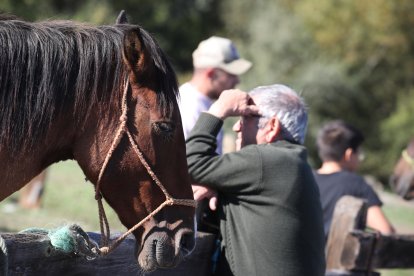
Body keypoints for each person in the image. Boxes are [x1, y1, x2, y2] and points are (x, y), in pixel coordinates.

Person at [186, 84, 326, 276]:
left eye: (245, 117)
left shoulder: (268, 160)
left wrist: (218, 110)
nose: (236, 127)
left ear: (272, 127)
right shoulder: (291, 163)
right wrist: (217, 187)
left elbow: (189, 163)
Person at [313, 120, 395, 239]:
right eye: (359, 154)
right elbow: (386, 232)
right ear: (349, 154)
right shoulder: (356, 184)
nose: (360, 159)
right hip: (334, 257)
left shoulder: (305, 178)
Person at [178, 36, 252, 155]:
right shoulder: (188, 107)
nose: (237, 80)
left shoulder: (201, 103)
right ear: (211, 74)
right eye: (231, 74)